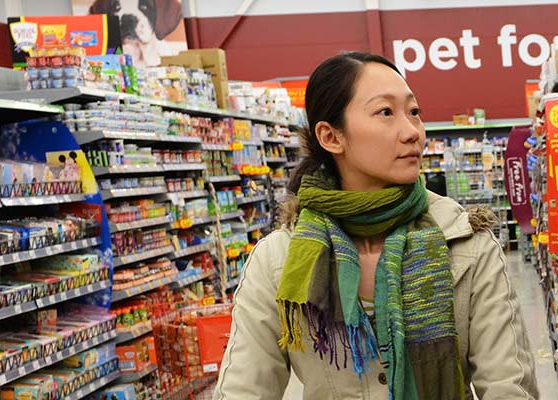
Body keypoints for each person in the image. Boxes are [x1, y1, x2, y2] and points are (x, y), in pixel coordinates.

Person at [216, 52, 536, 400]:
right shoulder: (280, 259)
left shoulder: (465, 241)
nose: (412, 131)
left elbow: (509, 386)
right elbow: (243, 389)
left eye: (414, 112)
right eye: (386, 112)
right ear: (331, 136)